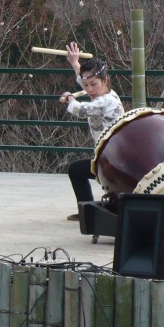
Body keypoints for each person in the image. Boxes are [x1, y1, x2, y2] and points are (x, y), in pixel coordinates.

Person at [58, 42, 123, 221]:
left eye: (94, 84)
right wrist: (74, 62)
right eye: (86, 86)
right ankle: (86, 211)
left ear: (105, 81)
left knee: (75, 170)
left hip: (113, 162)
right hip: (106, 157)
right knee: (77, 171)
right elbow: (83, 79)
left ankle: (87, 213)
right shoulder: (102, 95)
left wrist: (71, 98)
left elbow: (80, 110)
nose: (89, 90)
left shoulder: (107, 101)